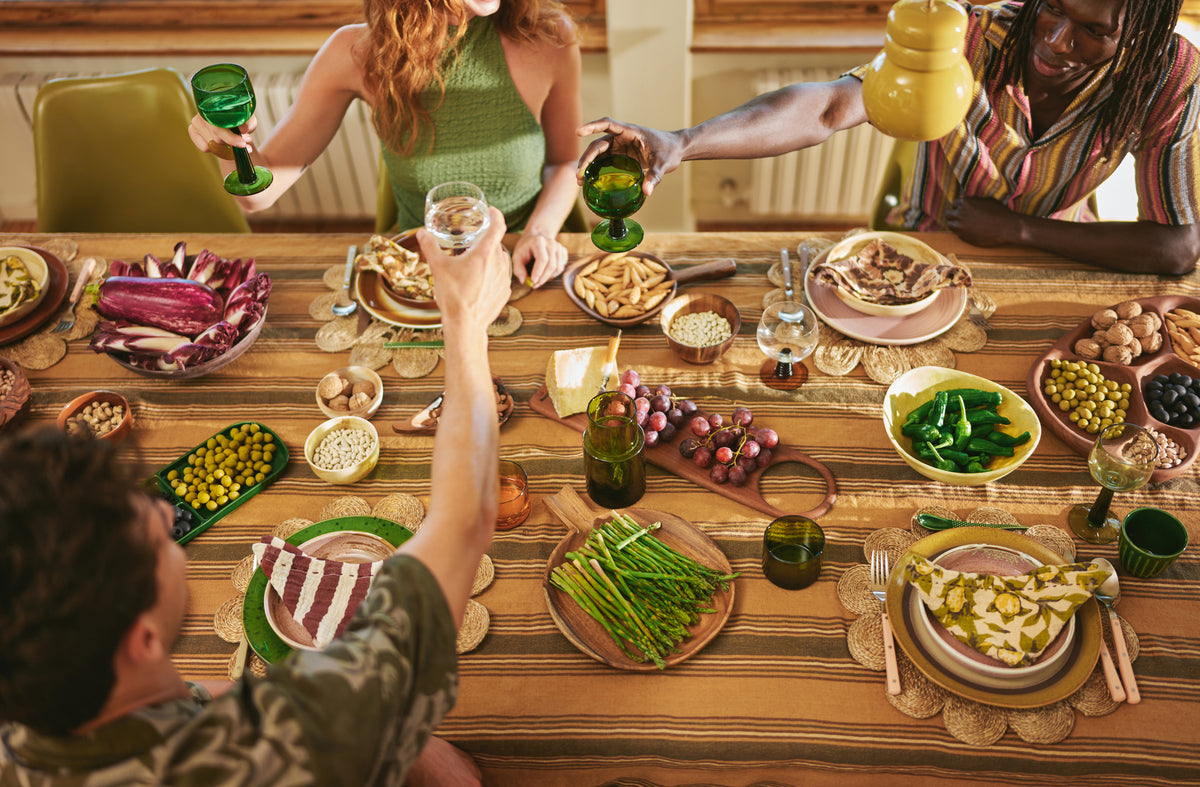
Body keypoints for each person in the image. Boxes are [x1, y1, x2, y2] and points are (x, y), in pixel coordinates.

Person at [0, 207, 512, 785]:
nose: (169, 509)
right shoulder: (282, 747)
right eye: (155, 534)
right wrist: (466, 323)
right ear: (141, 639)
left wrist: (403, 737)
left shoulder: (27, 720)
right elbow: (464, 521)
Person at [578, 0, 1200, 275]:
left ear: (1141, 40)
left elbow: (1175, 248)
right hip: (924, 239)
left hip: (1063, 252)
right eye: (1053, 8)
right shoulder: (970, 35)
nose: (1057, 41)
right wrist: (683, 142)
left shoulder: (1169, 76)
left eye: (1093, 31)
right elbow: (825, 108)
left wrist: (1019, 232)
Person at [189, 0, 582, 288]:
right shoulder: (357, 52)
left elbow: (565, 163)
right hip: (420, 271)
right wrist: (229, 143)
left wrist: (541, 233)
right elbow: (258, 196)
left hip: (526, 261)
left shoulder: (550, 36)